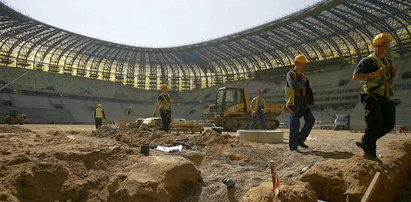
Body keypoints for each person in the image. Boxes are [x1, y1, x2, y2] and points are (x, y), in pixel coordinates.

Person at [352, 33, 397, 161]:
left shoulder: (388, 62)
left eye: (386, 45)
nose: (384, 48)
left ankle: (365, 141)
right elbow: (356, 77)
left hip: (384, 96)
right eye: (382, 45)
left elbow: (386, 80)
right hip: (370, 95)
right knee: (374, 123)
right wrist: (375, 73)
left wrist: (392, 74)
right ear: (375, 46)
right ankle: (369, 152)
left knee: (389, 123)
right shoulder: (367, 61)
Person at [285, 55, 315, 151]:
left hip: (302, 102)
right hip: (293, 102)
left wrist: (310, 101)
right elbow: (293, 85)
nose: (303, 66)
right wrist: (302, 82)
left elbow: (308, 89)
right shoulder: (290, 74)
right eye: (302, 63)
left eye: (304, 64)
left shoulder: (303, 76)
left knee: (311, 119)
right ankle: (293, 147)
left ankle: (300, 139)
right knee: (295, 125)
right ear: (296, 63)